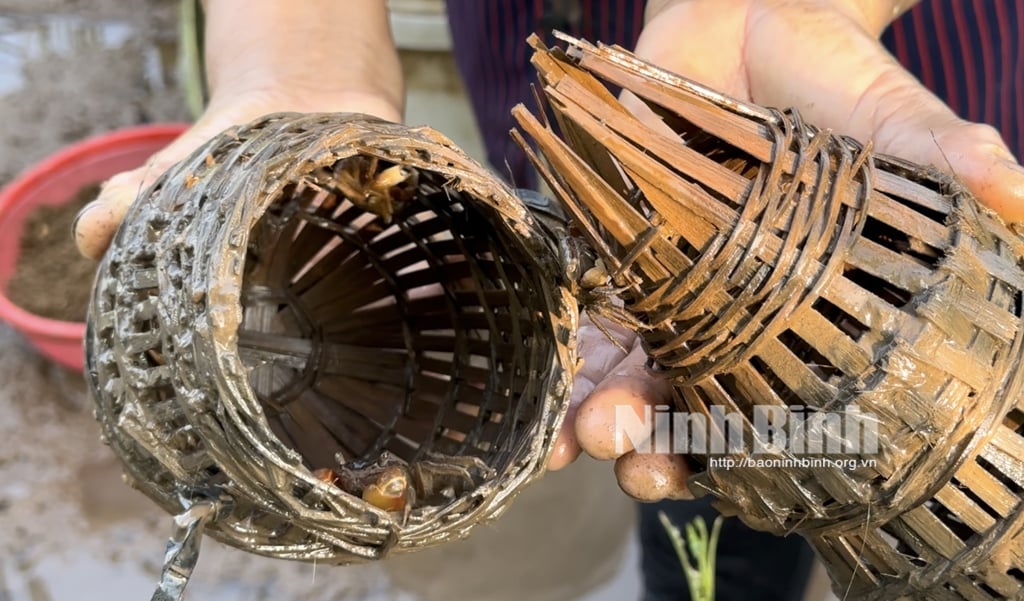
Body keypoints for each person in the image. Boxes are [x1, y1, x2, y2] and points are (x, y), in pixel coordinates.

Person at [72, 1, 1024, 599]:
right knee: (703, 455)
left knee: (888, 412)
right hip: (585, 140)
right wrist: (300, 65)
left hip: (848, 97)